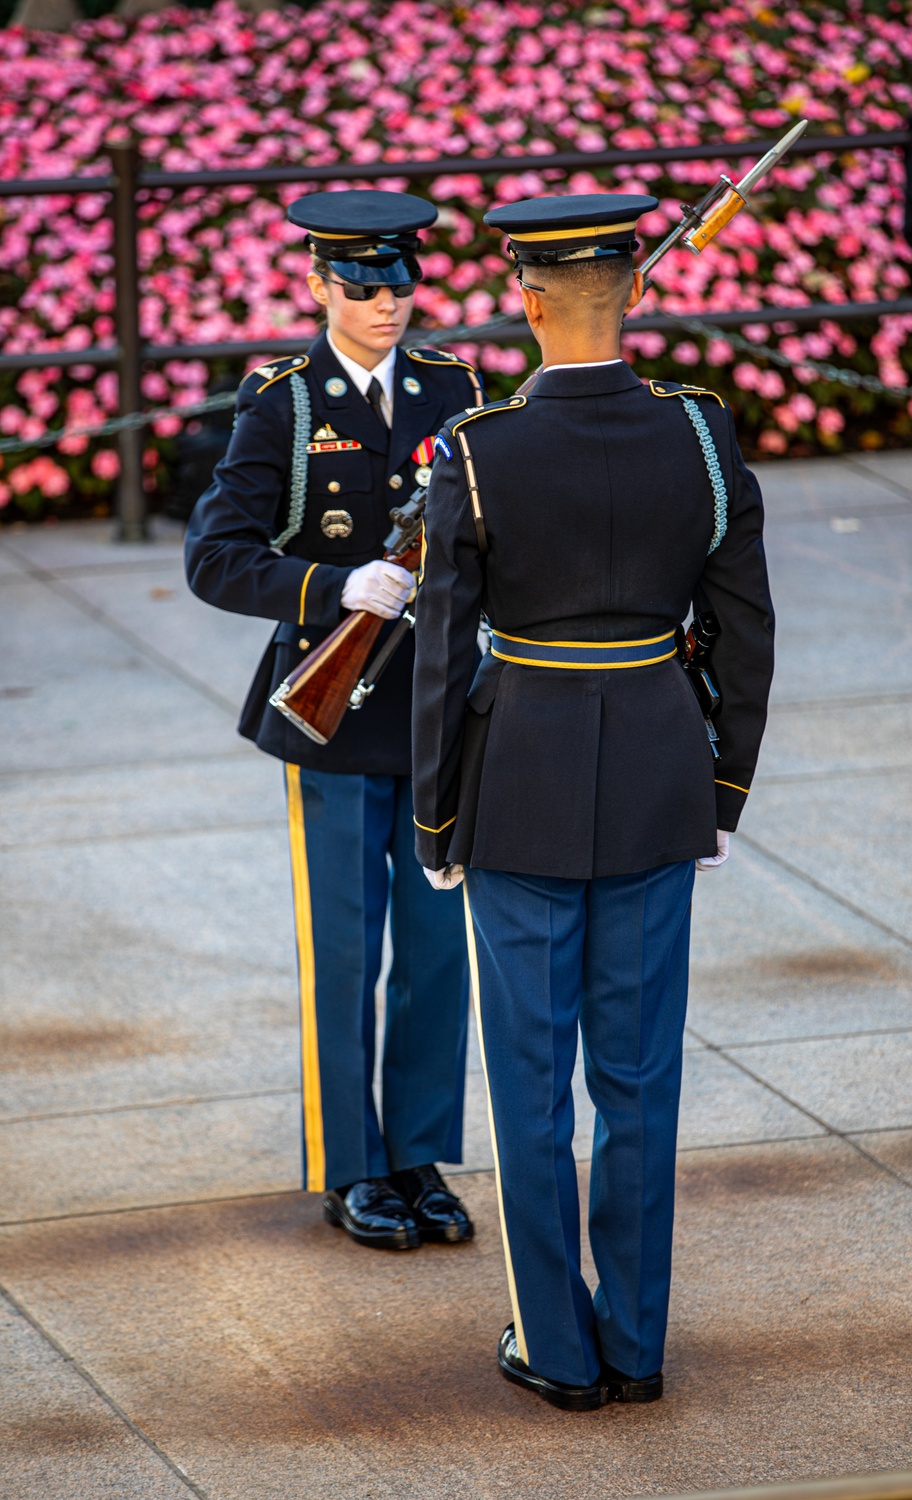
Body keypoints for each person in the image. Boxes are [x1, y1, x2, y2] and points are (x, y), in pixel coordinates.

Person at [411, 193, 774, 1405]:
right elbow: (745, 631)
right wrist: (719, 788)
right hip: (662, 783)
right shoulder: (703, 439)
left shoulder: (481, 449)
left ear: (526, 299)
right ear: (629, 289)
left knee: (527, 1077)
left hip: (516, 788)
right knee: (637, 1080)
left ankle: (555, 1353)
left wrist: (435, 816)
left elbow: (442, 652)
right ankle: (637, 1344)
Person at [186, 189, 483, 1252]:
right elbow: (215, 559)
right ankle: (349, 1164)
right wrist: (334, 589)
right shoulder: (284, 404)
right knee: (345, 948)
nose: (386, 306)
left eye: (399, 286)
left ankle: (418, 1155)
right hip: (333, 712)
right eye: (361, 289)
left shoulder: (454, 387)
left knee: (439, 952)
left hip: (438, 706)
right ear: (317, 287)